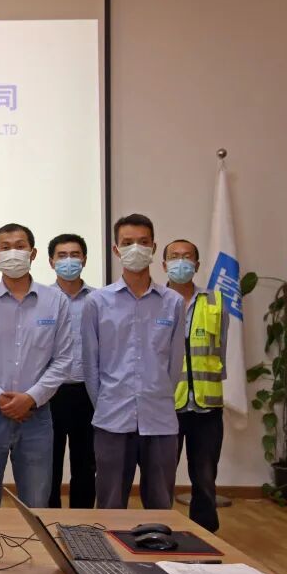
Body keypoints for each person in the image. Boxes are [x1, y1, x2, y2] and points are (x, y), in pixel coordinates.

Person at [0, 223, 72, 508]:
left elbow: (63, 360)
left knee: (36, 502)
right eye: (5, 247)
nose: (13, 253)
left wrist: (30, 398)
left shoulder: (55, 301)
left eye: (20, 246)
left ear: (33, 253)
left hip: (37, 416)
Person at [83, 214, 186, 510]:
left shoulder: (173, 302)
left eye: (143, 242)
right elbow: (91, 364)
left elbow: (175, 363)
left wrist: (158, 394)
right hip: (112, 418)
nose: (136, 249)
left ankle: (157, 543)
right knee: (110, 504)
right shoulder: (97, 302)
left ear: (153, 247)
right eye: (127, 243)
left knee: (161, 505)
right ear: (116, 249)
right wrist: (106, 403)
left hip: (160, 419)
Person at [165, 238, 228, 532]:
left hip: (207, 406)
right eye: (174, 256)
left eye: (187, 256)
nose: (181, 262)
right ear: (164, 264)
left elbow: (221, 349)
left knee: (205, 476)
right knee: (162, 475)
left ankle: (205, 533)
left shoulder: (215, 301)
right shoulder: (157, 301)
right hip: (167, 405)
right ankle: (162, 529)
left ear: (197, 264)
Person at [46, 233, 97, 509]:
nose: (69, 261)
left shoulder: (99, 299)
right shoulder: (42, 299)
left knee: (86, 465)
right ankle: (49, 521)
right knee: (49, 466)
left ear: (85, 260)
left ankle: (83, 522)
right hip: (50, 393)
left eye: (75, 255)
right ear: (51, 261)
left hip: (88, 393)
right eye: (62, 255)